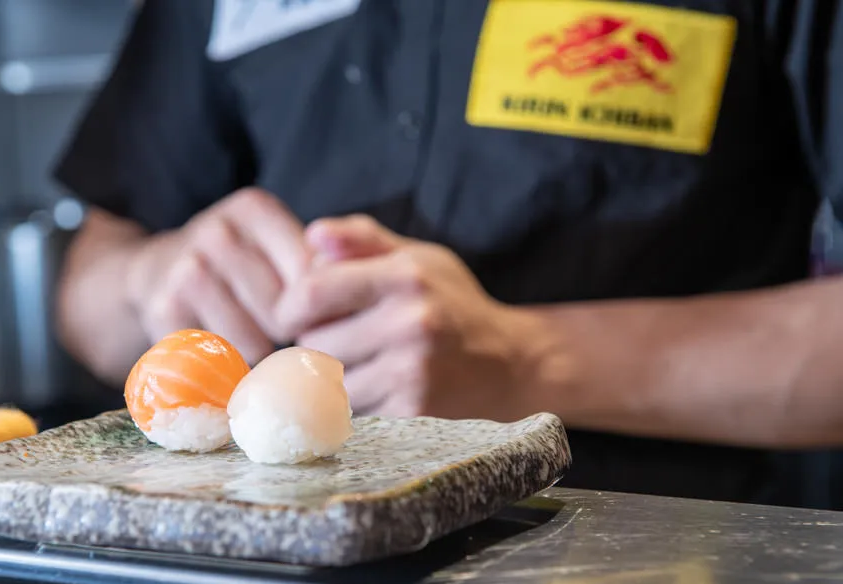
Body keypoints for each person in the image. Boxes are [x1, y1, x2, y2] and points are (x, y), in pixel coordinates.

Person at [53, 0, 843, 505]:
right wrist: (152, 279)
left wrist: (526, 360)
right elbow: (92, 283)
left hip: (656, 564)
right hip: (279, 569)